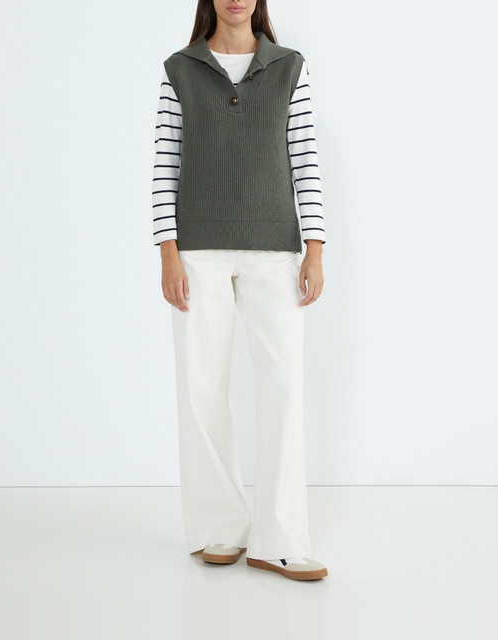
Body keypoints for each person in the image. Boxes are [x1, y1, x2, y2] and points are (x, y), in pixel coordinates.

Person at [152, 0, 328, 581]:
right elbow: (165, 164)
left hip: (274, 248)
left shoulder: (289, 66)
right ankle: (220, 528)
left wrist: (315, 246)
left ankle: (279, 539)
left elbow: (305, 159)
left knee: (283, 386)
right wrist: (167, 252)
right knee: (201, 387)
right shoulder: (180, 69)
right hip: (196, 251)